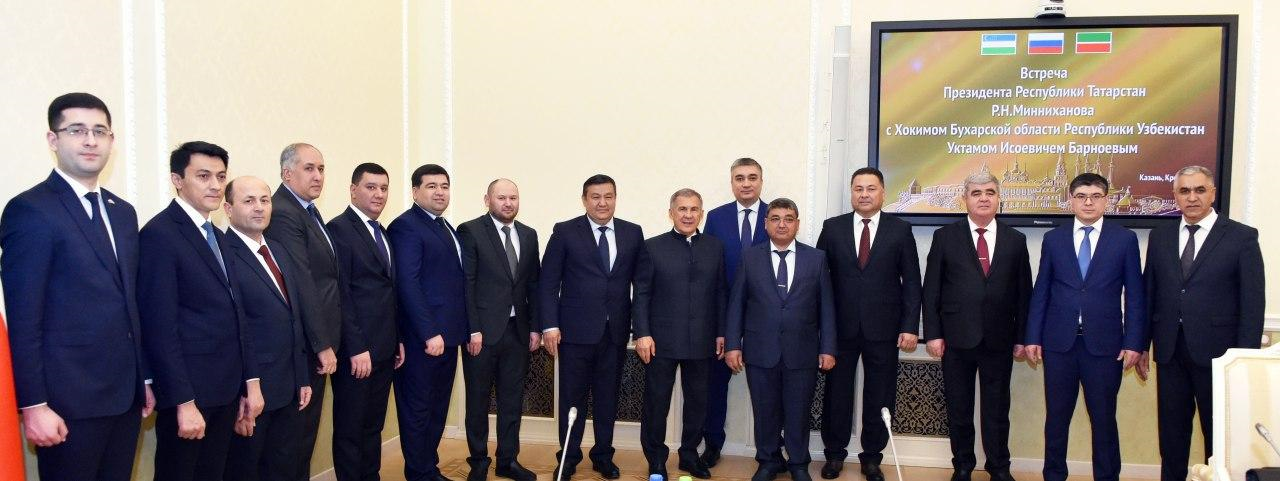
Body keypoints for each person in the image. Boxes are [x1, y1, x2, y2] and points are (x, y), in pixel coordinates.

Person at [1, 92, 152, 480]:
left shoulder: (123, 213)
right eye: (77, 130)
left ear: (111, 141)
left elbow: (130, 305)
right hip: (67, 403)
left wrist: (144, 378)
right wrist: (33, 405)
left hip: (125, 397)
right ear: (53, 140)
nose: (90, 140)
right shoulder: (30, 210)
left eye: (100, 131)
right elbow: (24, 317)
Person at [139, 141, 263, 481]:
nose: (215, 185)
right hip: (190, 394)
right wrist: (182, 401)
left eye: (221, 177)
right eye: (203, 176)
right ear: (177, 180)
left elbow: (237, 315)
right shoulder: (159, 235)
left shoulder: (218, 237)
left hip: (226, 389)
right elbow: (159, 326)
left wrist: (248, 383)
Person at [1140, 165, 1265, 481]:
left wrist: (1243, 360)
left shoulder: (1241, 237)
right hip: (1170, 352)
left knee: (1219, 438)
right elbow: (1149, 294)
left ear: (1212, 193)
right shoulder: (1160, 236)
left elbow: (1253, 304)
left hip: (1221, 357)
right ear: (1175, 196)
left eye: (1199, 190)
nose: (1192, 197)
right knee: (1172, 437)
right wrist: (1141, 345)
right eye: (1184, 191)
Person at [1024, 173, 1146, 481]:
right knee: (1056, 419)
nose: (1088, 202)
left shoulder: (1124, 239)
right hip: (1059, 344)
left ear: (1106, 200)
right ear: (1071, 200)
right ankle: (1054, 475)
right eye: (1081, 196)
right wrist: (1032, 336)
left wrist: (1134, 342)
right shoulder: (1054, 239)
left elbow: (1135, 294)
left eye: (1095, 196)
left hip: (1105, 347)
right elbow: (1042, 290)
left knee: (1103, 420)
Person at [921, 172, 1031, 481]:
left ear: (999, 198)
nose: (984, 198)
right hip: (956, 338)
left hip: (999, 338)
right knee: (959, 408)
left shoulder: (1016, 239)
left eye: (990, 192)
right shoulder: (945, 237)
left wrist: (1022, 337)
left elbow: (1024, 293)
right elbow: (932, 290)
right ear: (965, 199)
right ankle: (963, 466)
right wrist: (933, 334)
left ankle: (999, 467)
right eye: (976, 193)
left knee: (997, 410)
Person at [815, 167, 921, 481]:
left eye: (871, 188)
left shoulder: (900, 230)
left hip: (885, 329)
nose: (864, 194)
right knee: (837, 394)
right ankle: (834, 455)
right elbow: (818, 280)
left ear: (883, 193)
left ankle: (872, 457)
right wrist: (819, 326)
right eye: (858, 188)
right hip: (840, 329)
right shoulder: (832, 228)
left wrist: (910, 325)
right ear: (851, 193)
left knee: (880, 394)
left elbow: (911, 281)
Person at [539, 174, 647, 481]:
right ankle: (568, 457)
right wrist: (549, 325)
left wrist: (640, 329)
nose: (602, 202)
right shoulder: (565, 232)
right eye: (595, 197)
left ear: (615, 198)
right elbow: (548, 283)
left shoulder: (632, 233)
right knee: (571, 399)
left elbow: (641, 286)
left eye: (608, 196)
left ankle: (603, 456)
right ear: (585, 200)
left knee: (607, 398)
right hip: (573, 333)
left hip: (615, 333)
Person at [724, 197, 836, 481]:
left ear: (797, 224)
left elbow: (827, 307)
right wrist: (733, 345)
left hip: (802, 351)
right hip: (760, 349)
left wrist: (828, 348)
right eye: (775, 218)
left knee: (798, 411)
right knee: (765, 411)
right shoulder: (750, 257)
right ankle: (768, 461)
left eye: (788, 219)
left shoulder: (816, 258)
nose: (782, 224)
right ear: (766, 224)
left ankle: (798, 463)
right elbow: (736, 304)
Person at [221, 176, 314, 481]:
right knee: (247, 470)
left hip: (289, 387)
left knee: (283, 467)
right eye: (249, 201)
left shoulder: (278, 250)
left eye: (265, 200)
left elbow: (293, 317)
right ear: (228, 209)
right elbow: (234, 330)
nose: (259, 207)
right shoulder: (223, 254)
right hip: (253, 394)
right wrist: (244, 391)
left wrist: (302, 377)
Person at [632, 188, 726, 480]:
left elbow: (720, 293)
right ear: (671, 213)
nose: (688, 215)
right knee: (656, 403)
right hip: (660, 341)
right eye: (682, 209)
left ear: (701, 213)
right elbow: (642, 294)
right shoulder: (652, 247)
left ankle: (689, 455)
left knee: (698, 402)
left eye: (694, 209)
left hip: (702, 339)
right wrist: (642, 333)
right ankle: (656, 460)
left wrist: (721, 332)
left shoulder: (714, 247)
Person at [263, 142, 341, 480]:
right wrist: (322, 343)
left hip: (317, 342)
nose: (318, 175)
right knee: (291, 441)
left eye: (321, 169)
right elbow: (301, 282)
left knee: (304, 437)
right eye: (309, 168)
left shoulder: (308, 211)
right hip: (305, 346)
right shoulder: (283, 212)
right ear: (287, 173)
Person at [457, 178, 542, 481]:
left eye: (513, 198)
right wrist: (472, 329)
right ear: (487, 200)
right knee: (478, 401)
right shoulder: (470, 231)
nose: (508, 203)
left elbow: (534, 284)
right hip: (481, 334)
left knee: (512, 401)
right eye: (502, 197)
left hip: (518, 332)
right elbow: (466, 284)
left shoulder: (529, 235)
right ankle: (479, 461)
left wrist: (535, 327)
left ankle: (508, 460)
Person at [389, 164, 469, 481]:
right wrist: (429, 332)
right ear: (415, 191)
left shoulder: (445, 226)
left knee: (437, 408)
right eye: (431, 186)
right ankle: (418, 473)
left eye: (444, 186)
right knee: (418, 410)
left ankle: (428, 468)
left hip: (449, 337)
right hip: (423, 340)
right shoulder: (405, 226)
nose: (440, 192)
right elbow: (407, 283)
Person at [327, 163, 405, 481]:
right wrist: (356, 347)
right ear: (353, 190)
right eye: (371, 187)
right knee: (350, 428)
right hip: (357, 352)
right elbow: (341, 295)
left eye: (383, 188)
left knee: (373, 426)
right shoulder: (338, 230)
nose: (378, 194)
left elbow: (388, 292)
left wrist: (398, 339)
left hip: (385, 348)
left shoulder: (381, 231)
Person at [699, 157, 768, 467]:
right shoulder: (716, 217)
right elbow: (711, 270)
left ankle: (772, 449)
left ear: (761, 181)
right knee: (715, 387)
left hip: (765, 318)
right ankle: (712, 444)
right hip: (724, 317)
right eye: (740, 178)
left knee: (769, 388)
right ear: (732, 183)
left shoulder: (775, 214)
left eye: (752, 177)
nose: (746, 183)